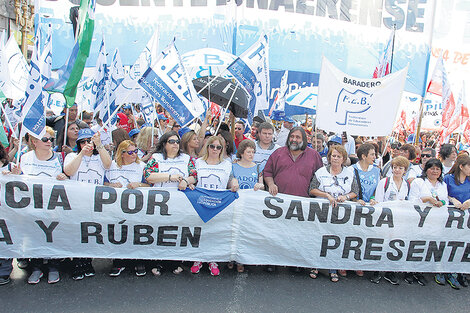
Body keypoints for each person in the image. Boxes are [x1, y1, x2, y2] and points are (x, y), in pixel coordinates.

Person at [7, 127, 67, 284]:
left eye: (51, 139)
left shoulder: (59, 158)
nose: (49, 142)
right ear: (34, 142)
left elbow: (67, 179)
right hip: (31, 207)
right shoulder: (25, 157)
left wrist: (63, 177)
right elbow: (21, 180)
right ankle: (36, 267)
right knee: (34, 236)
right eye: (45, 139)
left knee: (52, 236)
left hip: (53, 207)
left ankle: (53, 266)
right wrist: (15, 175)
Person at [144, 131, 197, 276]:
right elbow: (149, 176)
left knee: (176, 231)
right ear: (164, 144)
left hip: (180, 201)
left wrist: (186, 181)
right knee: (159, 231)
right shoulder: (156, 158)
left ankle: (174, 261)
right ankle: (158, 261)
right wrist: (170, 177)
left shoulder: (186, 158)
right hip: (160, 202)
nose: (175, 144)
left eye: (177, 142)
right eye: (171, 141)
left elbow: (194, 176)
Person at [64, 128, 112, 280]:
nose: (87, 144)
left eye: (89, 141)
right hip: (77, 201)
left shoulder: (99, 157)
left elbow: (108, 164)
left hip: (95, 202)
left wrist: (99, 145)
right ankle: (77, 261)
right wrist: (81, 154)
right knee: (77, 232)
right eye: (83, 141)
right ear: (78, 144)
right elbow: (69, 171)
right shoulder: (72, 155)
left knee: (90, 232)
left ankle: (87, 261)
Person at [309, 144, 360, 282]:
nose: (336, 158)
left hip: (341, 214)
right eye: (333, 156)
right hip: (322, 212)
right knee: (319, 238)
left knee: (335, 240)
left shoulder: (349, 173)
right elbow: (312, 190)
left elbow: (355, 191)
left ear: (343, 159)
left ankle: (333, 268)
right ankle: (316, 266)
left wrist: (346, 197)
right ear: (329, 157)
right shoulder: (320, 172)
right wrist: (326, 195)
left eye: (339, 156)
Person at [191, 136, 239, 276]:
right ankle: (198, 259)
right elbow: (193, 177)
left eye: (219, 147)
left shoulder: (227, 164)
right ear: (207, 147)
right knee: (200, 232)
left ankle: (212, 260)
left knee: (214, 233)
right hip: (200, 202)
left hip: (219, 203)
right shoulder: (198, 162)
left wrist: (234, 183)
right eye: (212, 146)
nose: (215, 149)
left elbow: (231, 179)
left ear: (222, 149)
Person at [104, 140, 150, 277]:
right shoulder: (111, 166)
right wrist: (110, 185)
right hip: (115, 207)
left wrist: (139, 185)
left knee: (136, 233)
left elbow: (150, 185)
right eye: (130, 152)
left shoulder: (142, 166)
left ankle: (137, 260)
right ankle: (118, 261)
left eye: (136, 151)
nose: (134, 155)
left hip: (136, 206)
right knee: (118, 233)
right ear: (122, 153)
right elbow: (103, 182)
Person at [370, 156, 411, 285]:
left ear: (405, 170)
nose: (397, 170)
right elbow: (379, 201)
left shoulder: (406, 184)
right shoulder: (385, 182)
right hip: (384, 219)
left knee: (394, 246)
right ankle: (376, 271)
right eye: (395, 167)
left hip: (399, 221)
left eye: (400, 168)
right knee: (381, 244)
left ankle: (389, 272)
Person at [409, 158, 449, 287]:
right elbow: (412, 200)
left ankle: (421, 271)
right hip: (419, 220)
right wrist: (427, 199)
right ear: (426, 170)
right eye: (432, 168)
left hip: (436, 222)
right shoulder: (419, 182)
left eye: (438, 169)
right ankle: (409, 271)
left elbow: (446, 202)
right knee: (415, 245)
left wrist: (440, 202)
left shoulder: (442, 185)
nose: (435, 171)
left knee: (427, 246)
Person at [265, 126, 322, 197]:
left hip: (304, 202)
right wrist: (271, 184)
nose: (294, 139)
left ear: (303, 139)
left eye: (298, 137)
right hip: (279, 200)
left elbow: (320, 178)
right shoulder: (278, 153)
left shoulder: (314, 155)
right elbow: (267, 172)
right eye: (292, 136)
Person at [442, 155, 470, 288]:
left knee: (463, 246)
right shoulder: (448, 179)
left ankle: (459, 272)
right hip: (450, 219)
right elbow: (442, 193)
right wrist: (452, 199)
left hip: (466, 219)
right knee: (449, 244)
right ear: (461, 167)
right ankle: (443, 271)